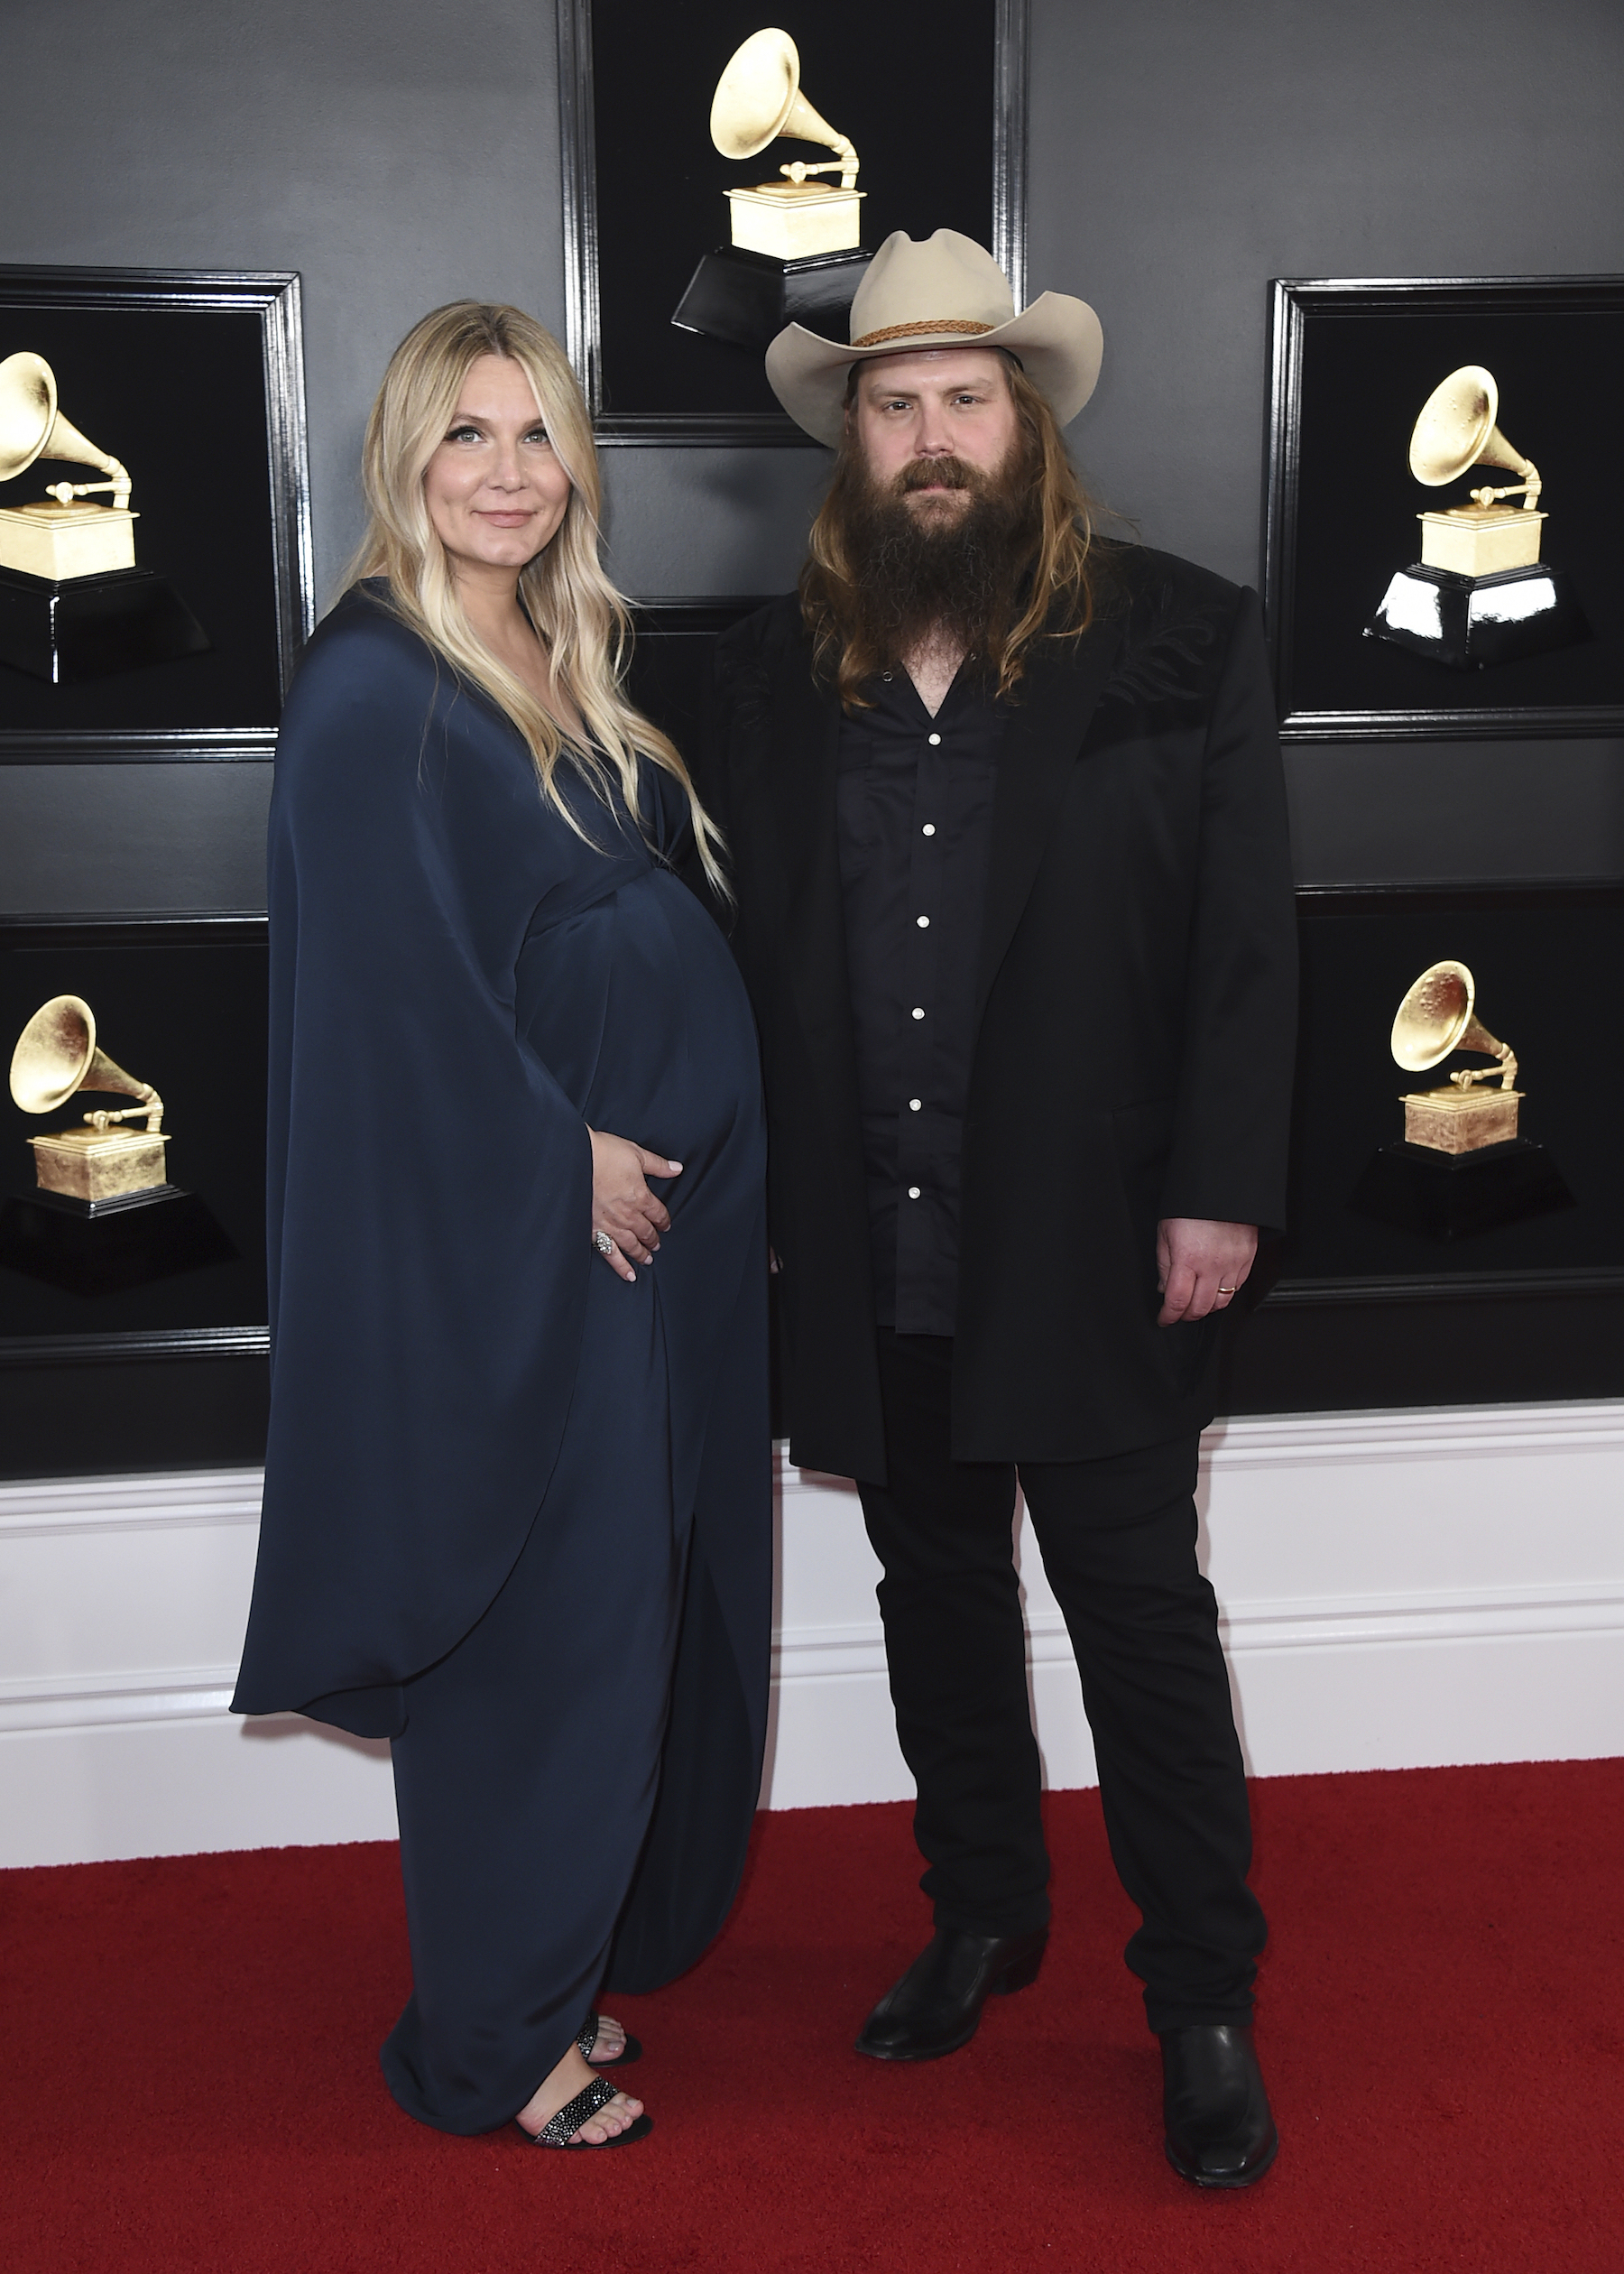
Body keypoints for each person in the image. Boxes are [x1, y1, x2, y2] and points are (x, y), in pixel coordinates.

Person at [694, 231, 1297, 2187]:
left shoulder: (1186, 639)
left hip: (1108, 1237)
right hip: (873, 1237)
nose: (932, 438)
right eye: (894, 405)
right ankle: (982, 1910)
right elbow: (731, 954)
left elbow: (1244, 953)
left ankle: (1201, 1994)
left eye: (967, 399)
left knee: (1140, 1619)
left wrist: (1218, 1189)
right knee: (933, 1596)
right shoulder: (769, 680)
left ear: (1024, 428)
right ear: (850, 444)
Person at [232, 302, 770, 2150]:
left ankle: (540, 1976)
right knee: (537, 1638)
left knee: (624, 1618)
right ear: (404, 456)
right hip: (528, 1249)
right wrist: (566, 1161)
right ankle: (491, 2046)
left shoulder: (547, 641)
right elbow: (383, 1010)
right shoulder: (372, 683)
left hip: (642, 1244)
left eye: (538, 438)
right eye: (470, 436)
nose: (509, 475)